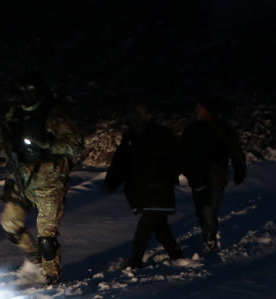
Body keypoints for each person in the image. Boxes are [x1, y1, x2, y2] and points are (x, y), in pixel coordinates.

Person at [0, 74, 81, 285]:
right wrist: (5, 150)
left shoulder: (54, 115)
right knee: (10, 224)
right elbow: (2, 138)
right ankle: (35, 261)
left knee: (47, 240)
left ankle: (50, 278)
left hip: (49, 181)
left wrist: (49, 144)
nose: (27, 95)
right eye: (23, 90)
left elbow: (76, 145)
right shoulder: (15, 114)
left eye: (31, 90)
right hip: (21, 178)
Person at [103, 102, 183, 268]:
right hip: (140, 190)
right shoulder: (131, 137)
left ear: (148, 114)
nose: (138, 117)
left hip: (159, 188)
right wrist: (111, 182)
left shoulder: (162, 134)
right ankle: (175, 254)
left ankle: (135, 260)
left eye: (141, 113)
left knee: (147, 223)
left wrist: (169, 177)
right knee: (159, 224)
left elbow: (176, 158)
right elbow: (120, 161)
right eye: (135, 113)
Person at [180, 96, 246, 254]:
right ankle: (207, 232)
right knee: (201, 209)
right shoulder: (192, 129)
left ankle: (209, 239)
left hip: (215, 176)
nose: (196, 110)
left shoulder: (222, 129)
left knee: (210, 209)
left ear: (207, 109)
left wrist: (239, 169)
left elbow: (234, 150)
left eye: (199, 107)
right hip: (197, 177)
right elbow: (182, 152)